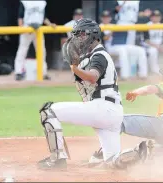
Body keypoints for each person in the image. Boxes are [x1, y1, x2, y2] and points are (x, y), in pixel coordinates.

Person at [37, 18, 125, 169]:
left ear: (93, 35)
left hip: (103, 108)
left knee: (48, 111)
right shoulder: (91, 56)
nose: (78, 38)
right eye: (77, 35)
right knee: (112, 163)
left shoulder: (99, 55)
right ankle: (138, 154)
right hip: (111, 111)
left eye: (82, 34)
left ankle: (57, 159)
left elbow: (92, 77)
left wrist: (75, 68)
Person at [88, 61, 163, 169]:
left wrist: (135, 92)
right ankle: (130, 162)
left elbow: (150, 88)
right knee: (145, 153)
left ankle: (103, 154)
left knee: (117, 121)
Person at [14, 0, 56, 81]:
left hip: (38, 30)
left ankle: (43, 73)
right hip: (27, 28)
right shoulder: (25, 2)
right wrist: (21, 29)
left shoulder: (42, 2)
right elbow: (20, 17)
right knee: (22, 51)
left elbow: (43, 17)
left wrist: (50, 24)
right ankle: (18, 72)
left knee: (42, 52)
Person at [100, 10, 148, 80]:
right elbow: (104, 39)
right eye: (104, 17)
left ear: (110, 18)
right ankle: (125, 76)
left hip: (121, 44)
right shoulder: (99, 26)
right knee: (122, 51)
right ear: (101, 18)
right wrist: (112, 32)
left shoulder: (115, 25)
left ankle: (143, 74)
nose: (106, 19)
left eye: (107, 17)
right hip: (109, 47)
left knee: (140, 50)